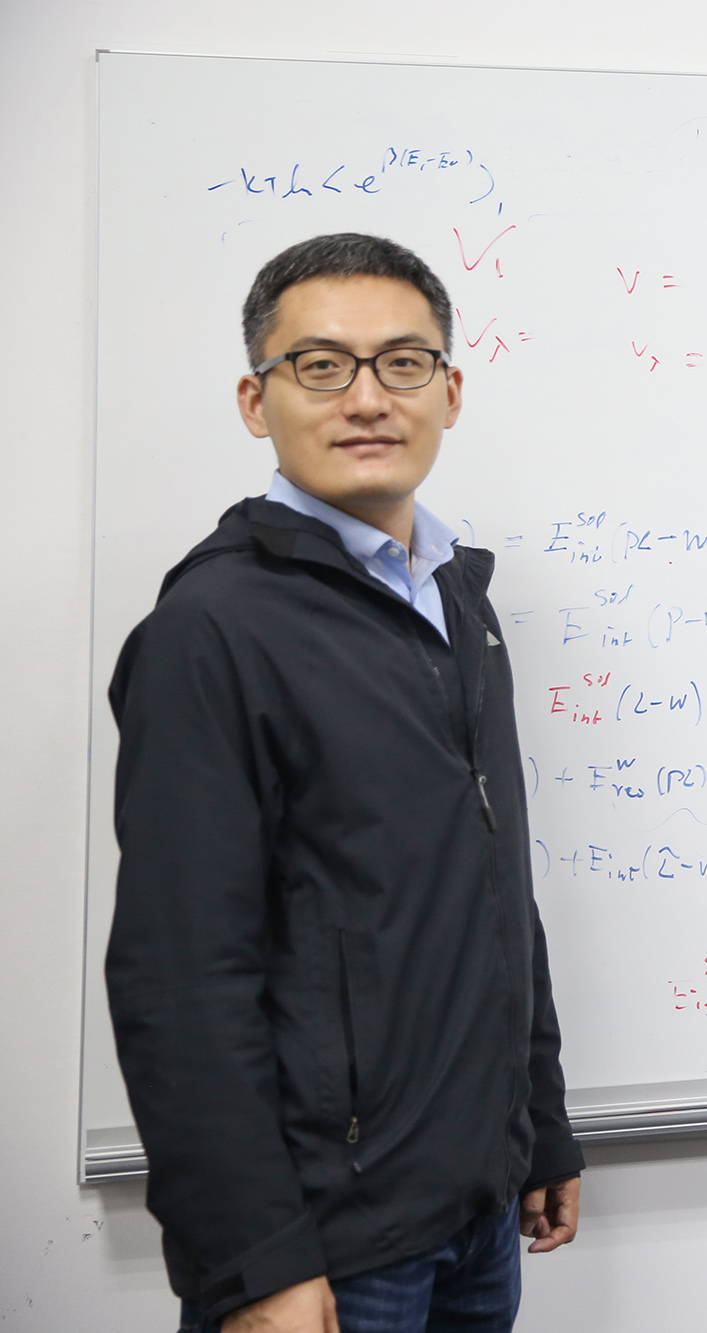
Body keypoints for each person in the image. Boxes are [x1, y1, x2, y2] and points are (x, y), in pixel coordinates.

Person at [105, 233, 584, 1333]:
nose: (368, 398)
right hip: (329, 1240)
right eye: (320, 366)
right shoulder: (210, 632)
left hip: (475, 1207)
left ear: (449, 392)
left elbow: (494, 888)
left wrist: (537, 1119)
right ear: (255, 400)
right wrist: (249, 1259)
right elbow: (180, 977)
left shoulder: (457, 600)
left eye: (403, 363)